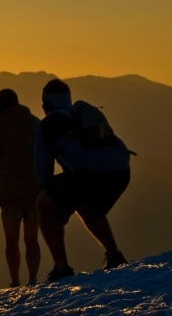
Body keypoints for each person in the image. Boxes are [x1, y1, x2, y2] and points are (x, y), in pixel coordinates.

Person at [34, 79, 130, 281]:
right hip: (121, 171)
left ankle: (61, 268)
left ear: (45, 106)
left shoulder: (46, 126)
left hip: (87, 175)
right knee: (88, 207)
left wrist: (51, 197)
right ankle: (114, 254)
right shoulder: (85, 115)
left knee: (44, 205)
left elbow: (43, 169)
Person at [0, 88, 42, 287]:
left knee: (11, 241)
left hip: (10, 192)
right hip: (36, 190)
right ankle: (33, 279)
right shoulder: (36, 123)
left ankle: (15, 280)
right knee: (32, 239)